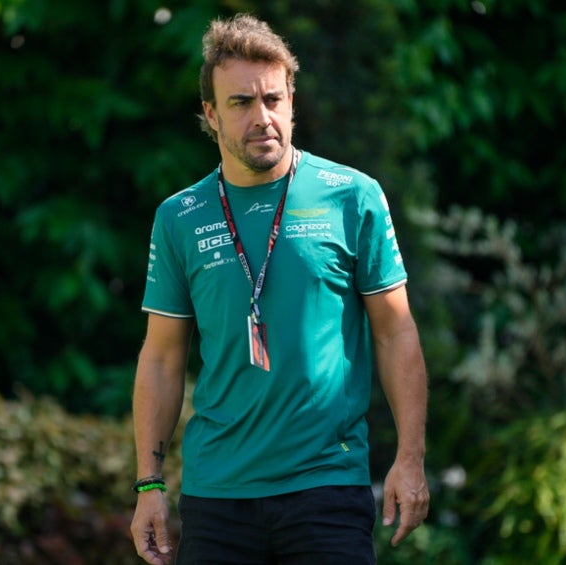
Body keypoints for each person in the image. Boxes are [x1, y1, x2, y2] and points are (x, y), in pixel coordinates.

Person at [130, 12, 429, 565]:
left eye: (273, 98)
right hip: (217, 496)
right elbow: (162, 359)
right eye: (241, 103)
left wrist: (410, 458)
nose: (262, 117)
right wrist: (149, 484)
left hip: (327, 487)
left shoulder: (353, 196)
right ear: (211, 114)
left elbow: (396, 331)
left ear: (292, 100)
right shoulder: (180, 217)